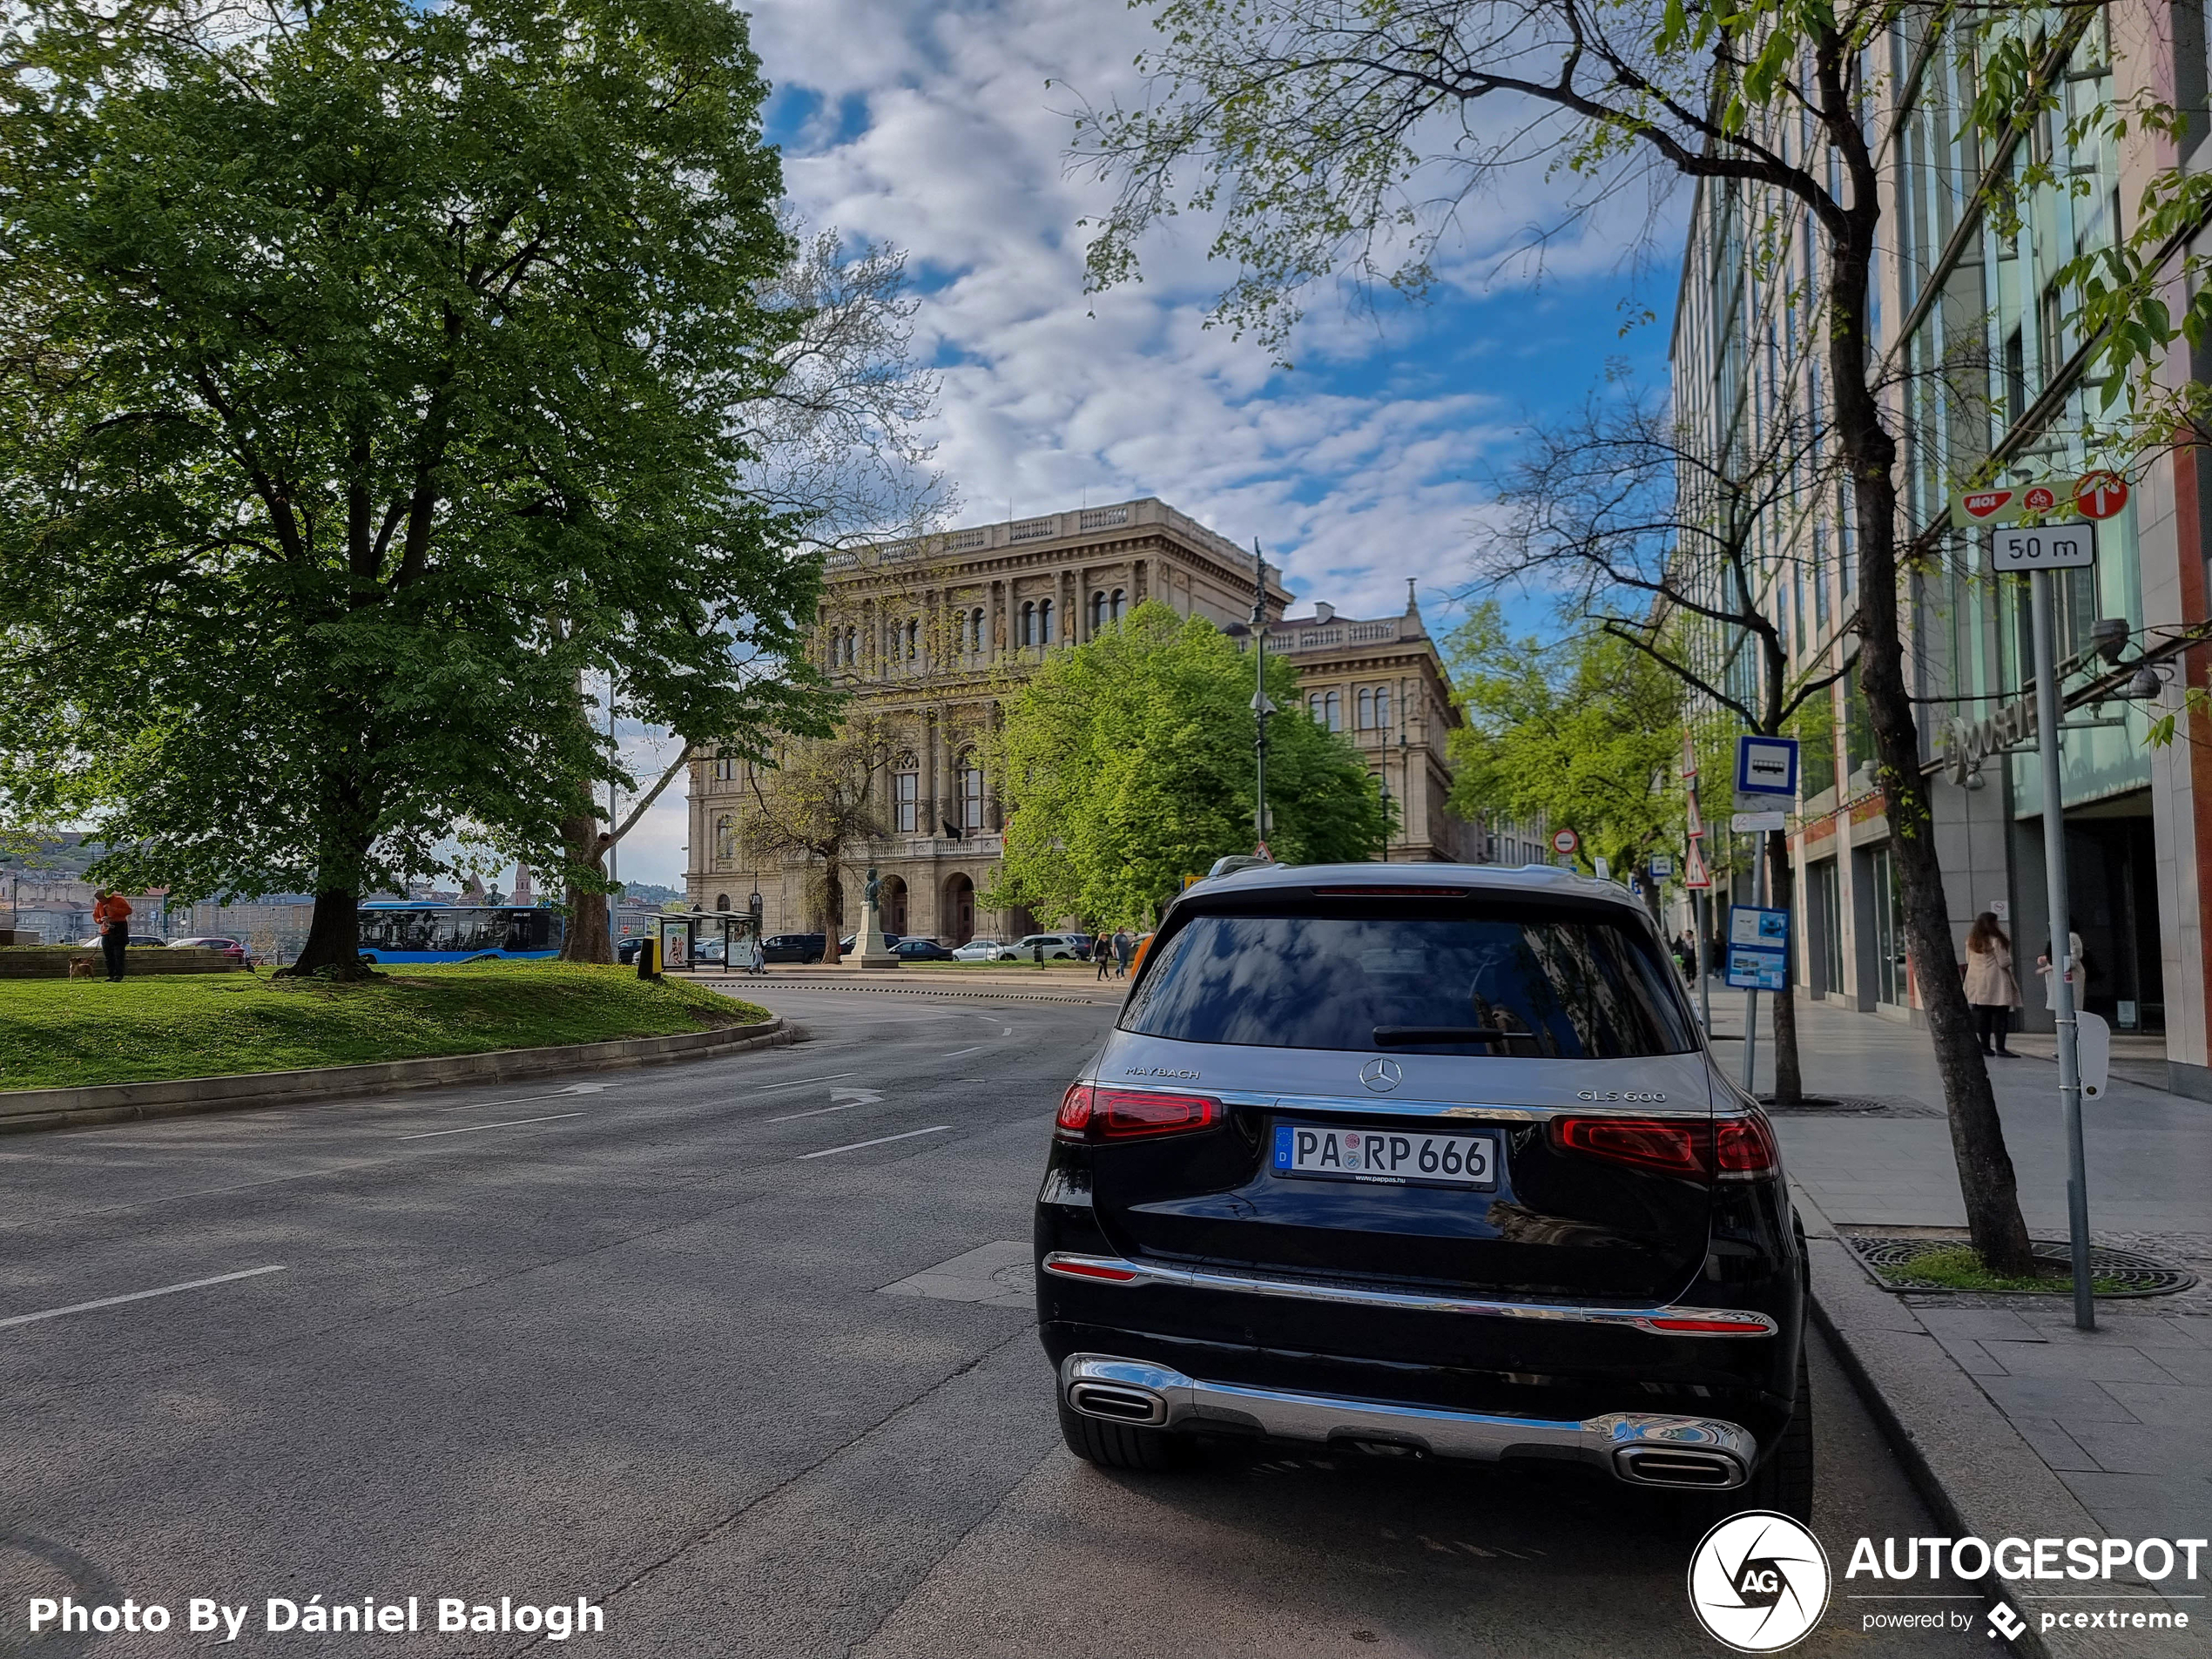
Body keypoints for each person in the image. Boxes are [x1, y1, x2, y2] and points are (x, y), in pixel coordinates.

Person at [1961, 912, 2020, 1057]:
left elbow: (1968, 960)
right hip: (1996, 981)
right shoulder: (1996, 941)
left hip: (1976, 982)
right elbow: (2004, 962)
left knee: (1982, 1016)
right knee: (2000, 1016)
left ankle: (1985, 1047)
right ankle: (2001, 1047)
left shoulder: (1971, 941)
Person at [2036, 929, 2087, 1013]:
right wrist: (2046, 958)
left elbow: (2072, 961)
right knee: (2062, 1007)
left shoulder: (2070, 937)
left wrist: (2046, 968)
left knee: (2069, 1007)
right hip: (2061, 977)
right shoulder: (2059, 935)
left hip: (2069, 977)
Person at [92, 888, 132, 981]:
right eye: (99, 900)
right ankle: (111, 974)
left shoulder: (119, 900)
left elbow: (128, 911)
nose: (101, 902)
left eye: (102, 899)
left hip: (119, 928)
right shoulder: (99, 904)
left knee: (118, 954)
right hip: (106, 929)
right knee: (108, 954)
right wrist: (100, 920)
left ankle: (118, 975)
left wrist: (113, 910)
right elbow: (96, 916)